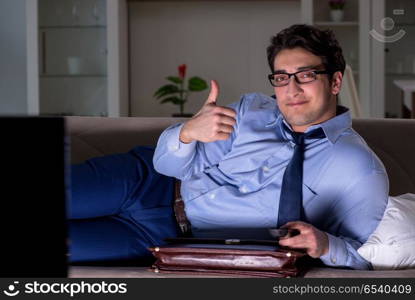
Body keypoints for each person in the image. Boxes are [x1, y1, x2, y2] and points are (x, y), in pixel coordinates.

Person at [68, 24, 388, 270]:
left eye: (305, 75)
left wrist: (325, 245)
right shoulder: (252, 111)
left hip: (168, 240)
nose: (291, 89)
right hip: (146, 182)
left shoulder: (360, 168)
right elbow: (168, 165)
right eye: (281, 77)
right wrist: (188, 133)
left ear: (335, 81)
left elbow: (363, 256)